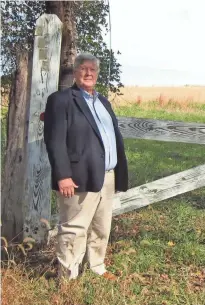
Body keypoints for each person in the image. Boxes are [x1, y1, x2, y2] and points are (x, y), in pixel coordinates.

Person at [44, 53, 128, 281]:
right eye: (83, 69)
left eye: (93, 69)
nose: (88, 73)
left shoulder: (103, 102)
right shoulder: (60, 100)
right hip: (77, 176)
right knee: (74, 228)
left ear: (98, 74)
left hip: (107, 176)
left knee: (102, 226)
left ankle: (97, 267)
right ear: (75, 72)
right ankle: (68, 276)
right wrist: (63, 175)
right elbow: (55, 140)